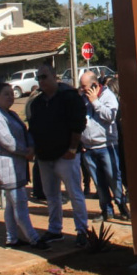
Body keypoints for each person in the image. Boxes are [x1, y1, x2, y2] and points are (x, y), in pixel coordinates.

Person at [27, 64, 89, 248]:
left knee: (74, 194)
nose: (41, 81)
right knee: (51, 195)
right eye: (39, 78)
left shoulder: (69, 97)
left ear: (55, 77)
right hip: (45, 157)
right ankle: (55, 229)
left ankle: (82, 230)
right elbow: (34, 128)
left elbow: (78, 124)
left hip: (66, 155)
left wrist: (72, 149)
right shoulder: (37, 103)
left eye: (44, 77)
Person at [0, 82, 45, 249]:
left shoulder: (10, 114)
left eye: (11, 93)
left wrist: (30, 147)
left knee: (11, 206)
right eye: (6, 94)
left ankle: (11, 238)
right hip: (6, 168)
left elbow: (25, 133)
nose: (10, 97)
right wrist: (26, 152)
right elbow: (8, 142)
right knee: (19, 204)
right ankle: (33, 238)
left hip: (16, 166)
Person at [78, 71, 128, 221]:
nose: (82, 90)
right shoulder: (82, 98)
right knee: (99, 182)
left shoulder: (108, 96)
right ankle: (106, 210)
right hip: (88, 148)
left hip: (107, 146)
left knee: (113, 179)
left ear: (94, 85)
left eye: (84, 87)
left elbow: (110, 116)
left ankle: (122, 207)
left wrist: (95, 102)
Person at [24, 85, 45, 202]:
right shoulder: (36, 100)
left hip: (34, 133)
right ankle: (40, 190)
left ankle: (38, 189)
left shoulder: (31, 99)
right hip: (37, 134)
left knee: (38, 163)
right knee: (40, 164)